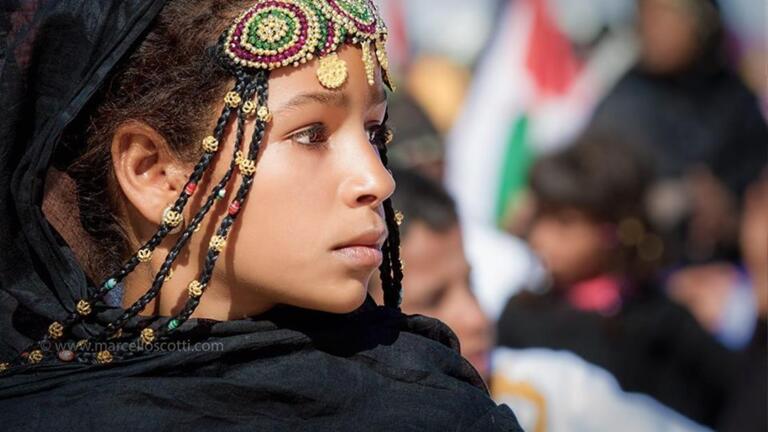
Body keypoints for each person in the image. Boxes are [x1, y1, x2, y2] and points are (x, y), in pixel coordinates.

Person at [0, 1, 522, 430]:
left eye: (372, 131)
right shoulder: (34, 409)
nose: (378, 181)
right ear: (154, 172)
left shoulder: (433, 412)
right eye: (311, 135)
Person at [497, 132, 739, 427]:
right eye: (539, 218)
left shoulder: (659, 321)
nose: (541, 237)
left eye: (565, 223)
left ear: (614, 228)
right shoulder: (521, 317)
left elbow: (733, 394)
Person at [586, 0, 768, 263]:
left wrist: (729, 217)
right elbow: (594, 188)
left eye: (662, 19)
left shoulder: (736, 103)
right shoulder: (624, 102)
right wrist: (678, 198)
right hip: (641, 272)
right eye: (644, 18)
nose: (648, 30)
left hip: (726, 273)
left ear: (701, 25)